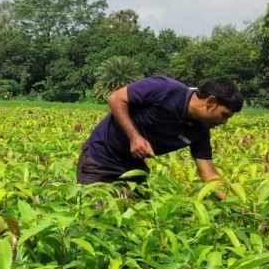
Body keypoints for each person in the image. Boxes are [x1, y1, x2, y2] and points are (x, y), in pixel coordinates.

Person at [77, 74, 243, 195]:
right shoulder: (165, 89)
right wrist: (134, 137)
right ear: (211, 102)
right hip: (100, 160)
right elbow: (115, 99)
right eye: (224, 115)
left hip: (133, 168)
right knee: (95, 218)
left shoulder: (200, 132)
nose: (224, 122)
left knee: (137, 224)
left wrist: (238, 207)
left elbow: (209, 174)